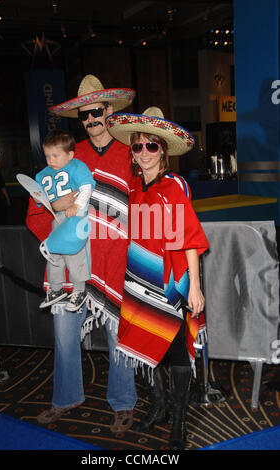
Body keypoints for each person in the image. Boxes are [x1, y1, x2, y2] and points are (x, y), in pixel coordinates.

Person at [26, 75, 138, 432]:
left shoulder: (130, 154)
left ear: (109, 111)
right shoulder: (66, 157)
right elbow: (37, 209)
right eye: (84, 115)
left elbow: (145, 206)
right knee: (63, 333)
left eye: (96, 112)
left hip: (116, 261)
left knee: (118, 336)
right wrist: (55, 226)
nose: (91, 120)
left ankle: (123, 402)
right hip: (73, 260)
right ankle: (65, 397)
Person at [106, 106, 210, 450]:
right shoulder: (133, 188)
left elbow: (189, 238)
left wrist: (194, 286)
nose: (145, 153)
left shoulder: (174, 186)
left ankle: (178, 421)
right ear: (133, 153)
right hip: (138, 281)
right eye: (138, 147)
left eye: (152, 146)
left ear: (163, 150)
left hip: (172, 282)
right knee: (145, 342)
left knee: (178, 353)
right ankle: (160, 406)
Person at [34, 129, 95, 311]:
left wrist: (77, 206)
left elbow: (86, 187)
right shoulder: (43, 173)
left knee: (76, 254)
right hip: (56, 217)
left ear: (70, 155)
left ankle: (79, 290)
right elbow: (41, 198)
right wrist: (39, 198)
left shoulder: (77, 166)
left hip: (76, 217)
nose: (50, 160)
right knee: (54, 253)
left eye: (55, 155)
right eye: (47, 156)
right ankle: (56, 289)